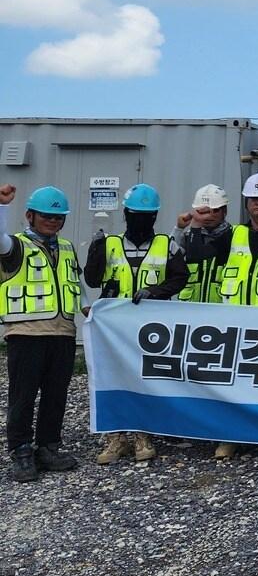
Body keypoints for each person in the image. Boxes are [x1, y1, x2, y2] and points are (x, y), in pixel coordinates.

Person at [186, 172, 258, 459]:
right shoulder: (233, 234)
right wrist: (196, 227)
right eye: (253, 199)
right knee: (233, 381)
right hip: (235, 322)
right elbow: (200, 255)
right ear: (246, 204)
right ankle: (230, 436)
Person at [83, 183, 190, 464]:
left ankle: (143, 434)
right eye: (135, 214)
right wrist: (95, 250)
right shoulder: (110, 243)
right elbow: (93, 280)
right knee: (112, 379)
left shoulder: (167, 244)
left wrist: (154, 292)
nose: (140, 220)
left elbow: (180, 277)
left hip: (151, 329)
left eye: (147, 215)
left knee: (146, 380)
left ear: (154, 217)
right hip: (115, 330)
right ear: (126, 214)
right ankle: (116, 437)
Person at [1, 184, 82, 483]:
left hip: (62, 332)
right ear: (30, 216)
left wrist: (88, 308)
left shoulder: (66, 247)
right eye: (46, 216)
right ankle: (21, 452)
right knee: (23, 397)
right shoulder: (15, 246)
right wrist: (2, 207)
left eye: (58, 217)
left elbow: (76, 283)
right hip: (26, 332)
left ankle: (48, 447)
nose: (53, 221)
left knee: (56, 395)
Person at [174, 184, 230, 304]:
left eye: (215, 210)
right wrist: (179, 229)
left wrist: (195, 227)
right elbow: (168, 258)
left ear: (225, 211)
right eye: (202, 211)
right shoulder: (188, 236)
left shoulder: (233, 235)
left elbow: (199, 254)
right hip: (190, 308)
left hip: (222, 309)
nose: (209, 216)